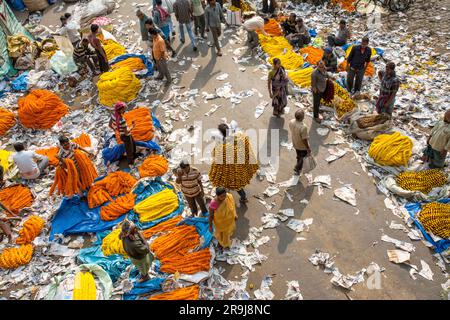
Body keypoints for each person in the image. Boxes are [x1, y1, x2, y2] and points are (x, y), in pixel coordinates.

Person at [216, 123, 249, 203]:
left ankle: (239, 197)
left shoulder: (223, 144)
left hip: (230, 168)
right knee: (237, 184)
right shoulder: (235, 137)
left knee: (234, 184)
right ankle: (243, 197)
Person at [289, 110, 311, 175]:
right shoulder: (303, 127)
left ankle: (298, 167)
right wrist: (308, 148)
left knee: (299, 155)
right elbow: (304, 139)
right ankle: (297, 168)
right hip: (302, 146)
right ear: (302, 118)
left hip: (295, 142)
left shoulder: (291, 121)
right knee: (303, 157)